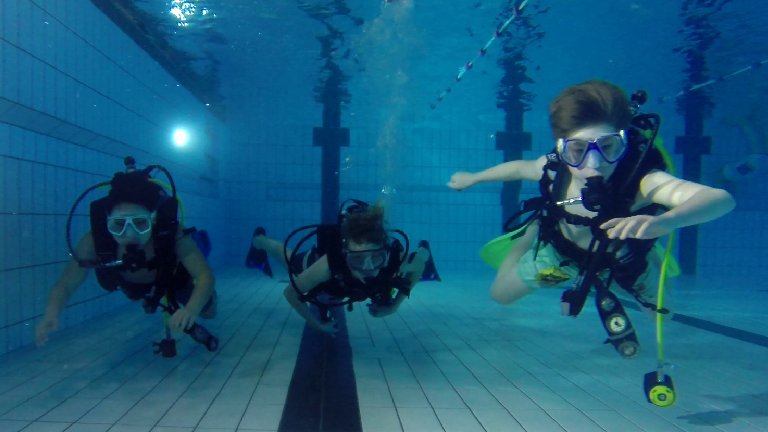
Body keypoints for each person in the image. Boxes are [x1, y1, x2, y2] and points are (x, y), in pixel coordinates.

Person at [448, 80, 735, 358]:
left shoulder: (642, 180)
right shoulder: (554, 170)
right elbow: (518, 169)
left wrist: (665, 222)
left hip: (626, 258)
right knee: (501, 295)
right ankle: (529, 236)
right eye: (578, 150)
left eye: (608, 147)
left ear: (623, 142)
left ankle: (653, 258)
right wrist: (473, 178)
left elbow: (720, 199)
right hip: (562, 253)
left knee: (664, 316)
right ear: (561, 147)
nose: (594, 164)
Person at [36, 158, 217, 348]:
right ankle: (150, 297)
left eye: (140, 223)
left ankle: (200, 243)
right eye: (119, 225)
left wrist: (191, 309)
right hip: (131, 283)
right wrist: (51, 312)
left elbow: (205, 276)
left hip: (170, 276)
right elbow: (66, 284)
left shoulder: (171, 234)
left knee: (208, 311)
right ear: (108, 221)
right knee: (136, 296)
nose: (130, 234)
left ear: (153, 219)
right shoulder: (93, 242)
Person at [249, 200, 440, 335]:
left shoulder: (393, 258)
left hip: (360, 270)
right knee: (287, 258)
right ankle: (259, 240)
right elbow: (290, 293)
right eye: (358, 260)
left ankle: (424, 248)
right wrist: (315, 324)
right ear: (345, 255)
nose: (368, 269)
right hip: (312, 262)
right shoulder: (328, 265)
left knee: (420, 257)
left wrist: (393, 307)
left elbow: (419, 267)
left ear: (385, 252)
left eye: (375, 258)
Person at [716, 110, 768, 192]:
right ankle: (737, 119)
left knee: (754, 133)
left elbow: (748, 168)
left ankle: (737, 119)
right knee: (753, 132)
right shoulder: (729, 174)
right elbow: (748, 168)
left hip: (759, 159)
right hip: (758, 159)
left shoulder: (730, 175)